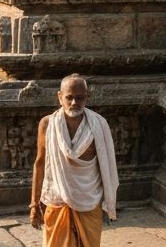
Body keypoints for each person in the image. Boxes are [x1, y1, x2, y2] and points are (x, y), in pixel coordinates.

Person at [30, 74, 118, 247]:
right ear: (59, 97)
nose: (74, 103)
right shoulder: (47, 124)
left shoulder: (98, 125)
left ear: (87, 97)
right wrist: (34, 204)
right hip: (57, 198)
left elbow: (106, 168)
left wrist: (107, 200)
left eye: (80, 98)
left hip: (88, 199)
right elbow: (39, 163)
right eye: (69, 97)